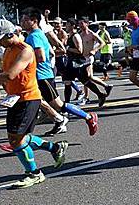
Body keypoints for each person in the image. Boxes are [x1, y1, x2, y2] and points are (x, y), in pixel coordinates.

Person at [0, 19, 68, 188]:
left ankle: (34, 173)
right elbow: (3, 75)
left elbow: (10, 75)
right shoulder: (8, 50)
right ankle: (55, 148)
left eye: (1, 38)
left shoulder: (25, 50)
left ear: (10, 34)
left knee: (16, 140)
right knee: (18, 137)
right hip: (14, 99)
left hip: (28, 98)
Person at [21, 8, 99, 137]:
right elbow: (50, 53)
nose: (21, 22)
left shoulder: (35, 36)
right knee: (33, 102)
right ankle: (54, 123)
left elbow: (40, 57)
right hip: (39, 76)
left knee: (57, 105)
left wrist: (21, 63)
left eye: (25, 20)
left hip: (42, 76)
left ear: (34, 21)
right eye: (21, 19)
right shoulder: (35, 35)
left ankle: (88, 117)